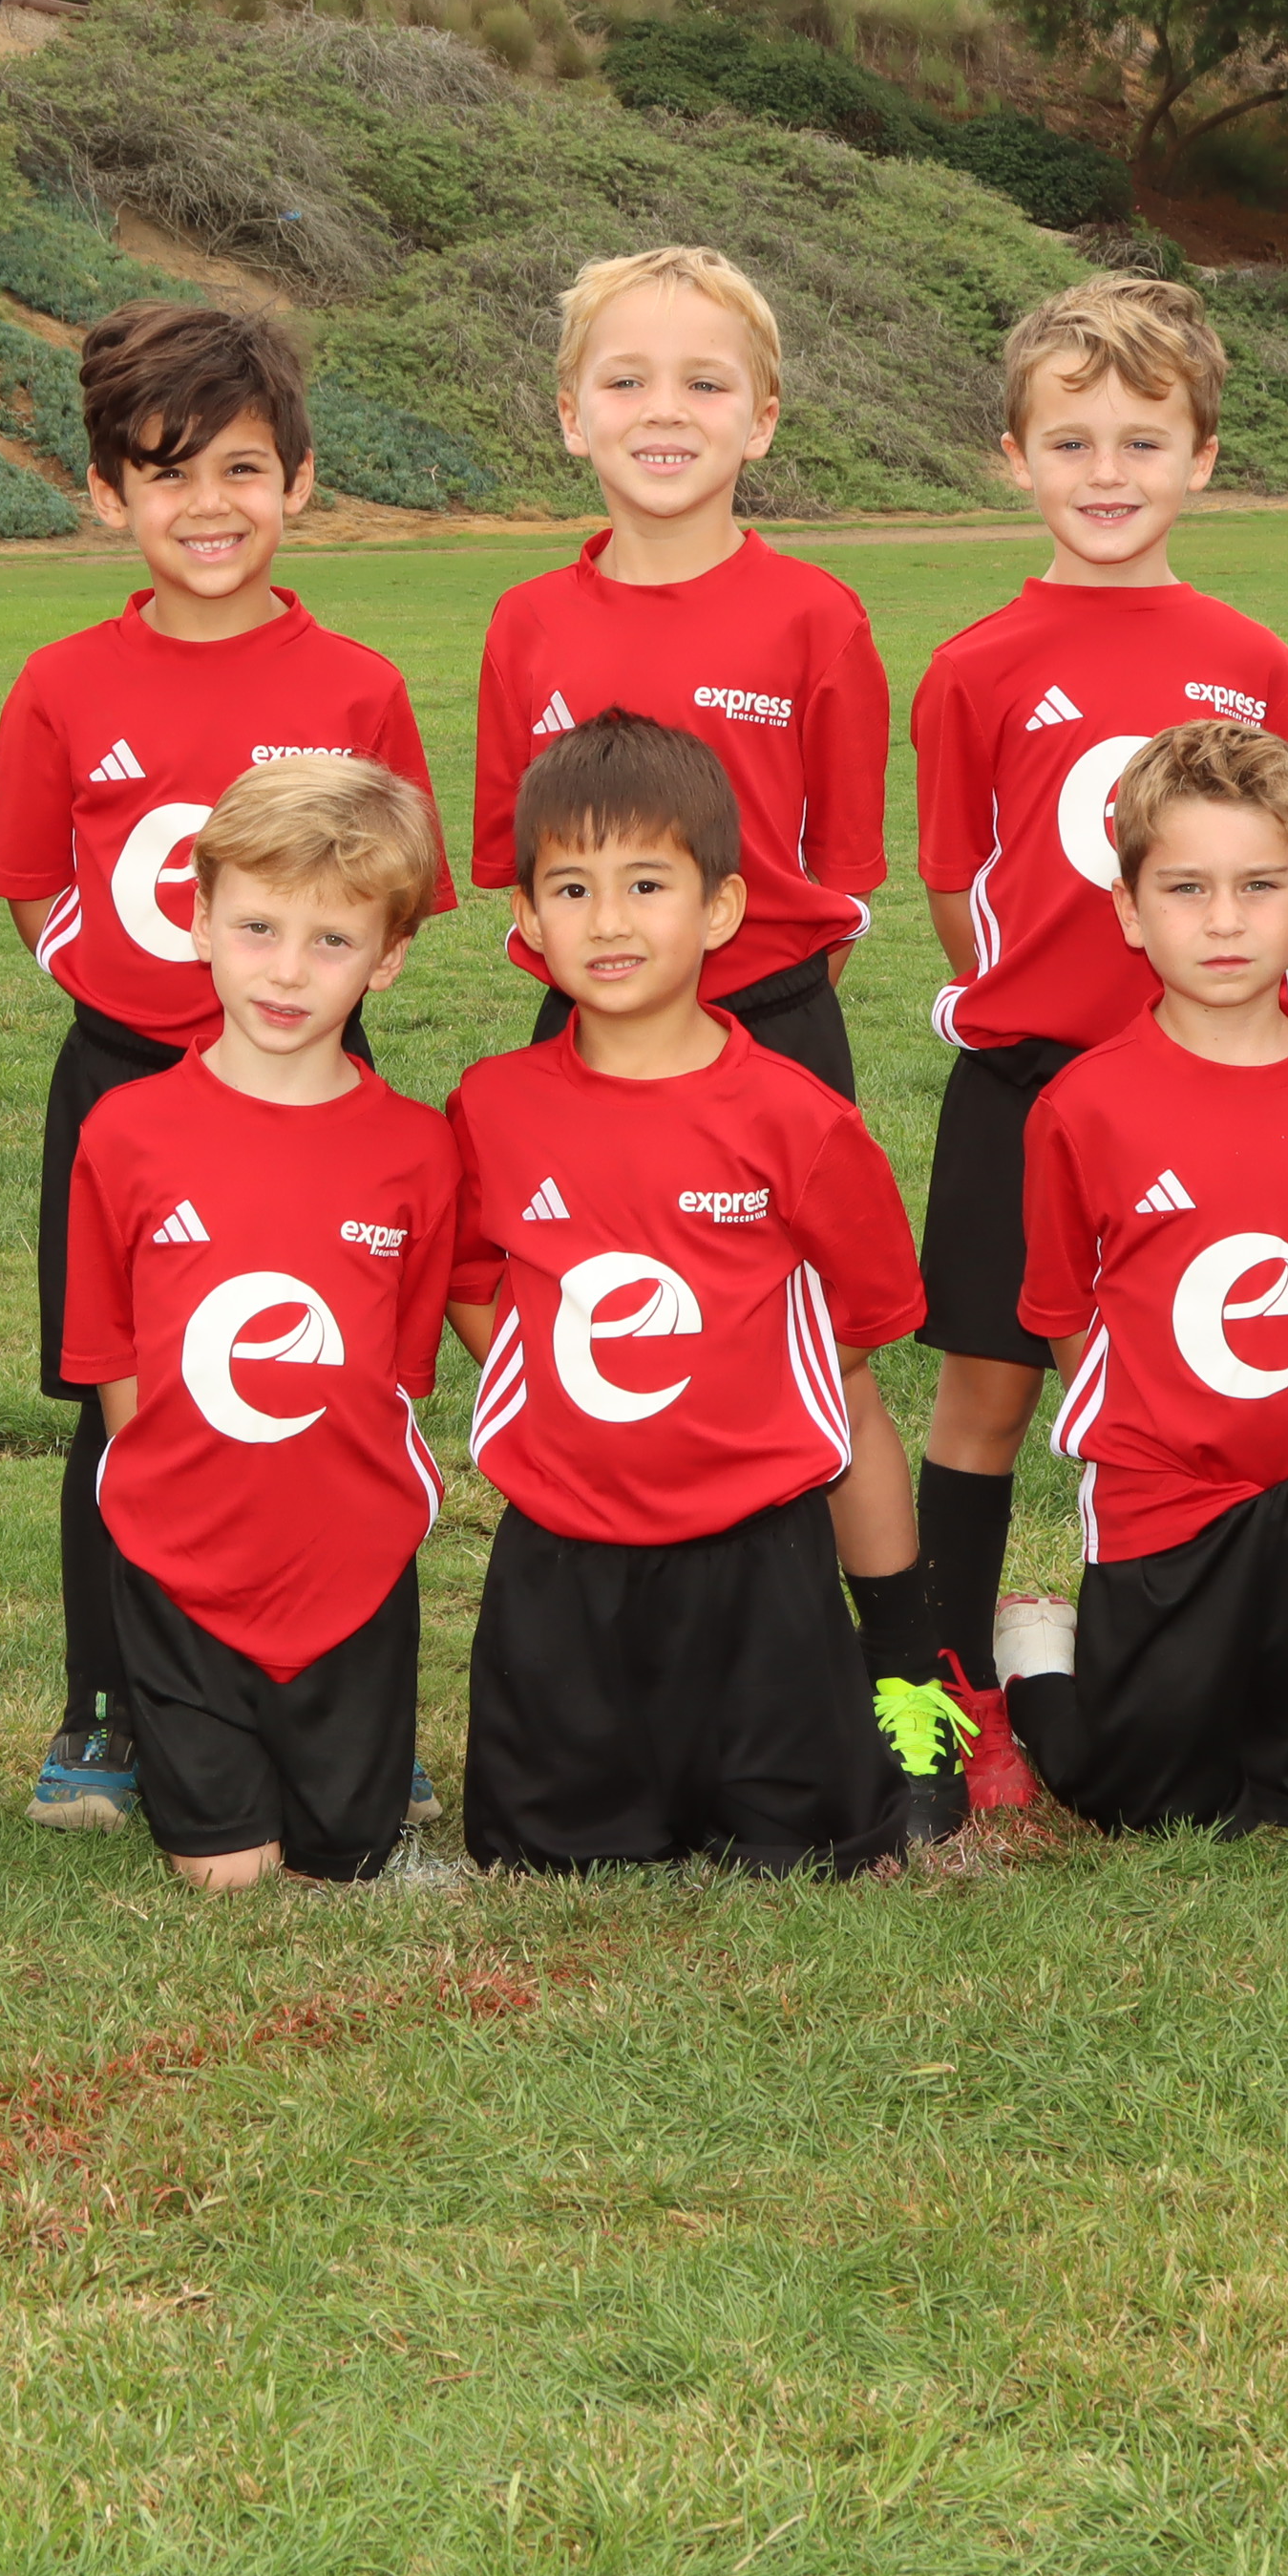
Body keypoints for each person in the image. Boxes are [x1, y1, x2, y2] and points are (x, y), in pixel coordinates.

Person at [0, 301, 446, 1836]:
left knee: (326, 1386)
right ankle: (109, 1709)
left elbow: (394, 891)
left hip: (314, 1095)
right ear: (107, 492)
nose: (207, 505)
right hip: (122, 1086)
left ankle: (355, 1714)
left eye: (241, 468)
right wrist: (129, 1010)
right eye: (165, 473)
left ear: (298, 480)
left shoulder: (358, 686)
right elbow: (35, 886)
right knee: (116, 1392)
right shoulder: (61, 682)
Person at [904, 276, 1288, 1800]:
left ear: (1203, 456)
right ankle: (950, 1686)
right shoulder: (975, 664)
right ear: (1016, 457)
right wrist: (1047, 1021)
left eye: (1145, 440)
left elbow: (1250, 867)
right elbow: (960, 885)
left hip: (1195, 1098)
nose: (1109, 472)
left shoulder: (1251, 659)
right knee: (989, 1394)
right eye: (1071, 442)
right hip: (1024, 1094)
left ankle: (1172, 1660)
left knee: (1168, 1395)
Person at [441, 713, 938, 1869]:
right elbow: (467, 1275)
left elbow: (858, 1324)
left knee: (808, 1848)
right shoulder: (493, 1106)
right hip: (562, 1553)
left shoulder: (799, 1118)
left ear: (720, 907)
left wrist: (733, 1397)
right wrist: (559, 1378)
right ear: (527, 919)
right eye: (571, 888)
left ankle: (880, 1699)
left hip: (758, 1555)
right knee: (547, 1856)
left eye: (647, 883)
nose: (608, 920)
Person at [989, 723, 1288, 1835]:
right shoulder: (1083, 1104)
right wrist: (1162, 1425)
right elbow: (1062, 1309)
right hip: (1165, 1490)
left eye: (1260, 884)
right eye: (1186, 887)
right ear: (1129, 909)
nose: (1225, 919)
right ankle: (1038, 1659)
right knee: (1144, 1801)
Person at [62, 758, 460, 1889]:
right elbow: (111, 1355)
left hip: (352, 1560)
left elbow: (396, 1369)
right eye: (257, 927)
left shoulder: (419, 1148)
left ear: (387, 957)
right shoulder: (124, 1131)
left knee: (346, 1860)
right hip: (181, 1561)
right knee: (227, 1876)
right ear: (198, 921)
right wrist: (175, 1507)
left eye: (332, 941)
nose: (287, 970)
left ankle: (358, 1761)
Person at [464, 246, 889, 1098]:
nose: (665, 410)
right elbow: (524, 869)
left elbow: (843, 876)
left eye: (704, 383)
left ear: (761, 422)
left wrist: (758, 1010)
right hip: (585, 1026)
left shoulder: (819, 618)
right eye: (626, 382)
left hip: (773, 1027)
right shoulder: (525, 623)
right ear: (572, 417)